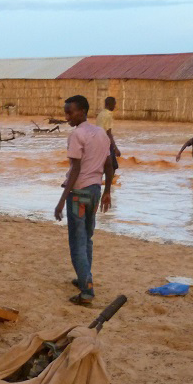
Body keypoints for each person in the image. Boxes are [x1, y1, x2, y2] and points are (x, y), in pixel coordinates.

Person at [54, 95, 114, 307]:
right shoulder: (101, 133)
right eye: (66, 112)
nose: (67, 116)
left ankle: (86, 291)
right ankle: (84, 277)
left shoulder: (77, 135)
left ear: (83, 111)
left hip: (78, 193)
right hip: (95, 191)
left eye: (70, 112)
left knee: (77, 241)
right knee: (87, 237)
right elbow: (109, 165)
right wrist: (107, 191)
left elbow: (76, 170)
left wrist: (61, 201)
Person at [96, 96, 121, 170]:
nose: (114, 106)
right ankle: (107, 181)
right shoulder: (108, 115)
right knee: (113, 166)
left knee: (105, 165)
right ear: (110, 105)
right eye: (114, 104)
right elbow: (108, 133)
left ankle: (99, 180)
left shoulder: (101, 114)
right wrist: (115, 148)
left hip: (99, 142)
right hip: (105, 143)